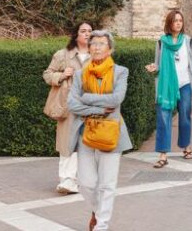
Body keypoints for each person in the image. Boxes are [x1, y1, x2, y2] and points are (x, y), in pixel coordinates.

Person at [66, 30, 132, 231]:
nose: (96, 47)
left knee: (107, 183)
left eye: (101, 44)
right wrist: (98, 109)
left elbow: (116, 99)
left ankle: (101, 225)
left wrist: (85, 98)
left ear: (110, 49)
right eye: (93, 43)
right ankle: (97, 210)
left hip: (111, 131)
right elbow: (71, 104)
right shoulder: (79, 75)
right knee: (86, 183)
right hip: (86, 131)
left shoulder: (121, 72)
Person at [145, 9, 192, 168]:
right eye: (175, 20)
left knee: (185, 116)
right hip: (165, 86)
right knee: (163, 118)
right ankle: (163, 154)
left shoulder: (188, 41)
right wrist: (153, 67)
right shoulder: (161, 42)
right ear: (169, 23)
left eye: (180, 20)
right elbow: (157, 65)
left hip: (185, 84)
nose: (178, 23)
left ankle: (185, 146)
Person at [42, 22, 92, 194]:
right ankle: (66, 179)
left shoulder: (98, 56)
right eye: (83, 31)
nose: (87, 34)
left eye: (90, 31)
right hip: (68, 106)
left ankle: (81, 178)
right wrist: (62, 75)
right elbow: (47, 75)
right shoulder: (63, 55)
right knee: (67, 142)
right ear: (76, 34)